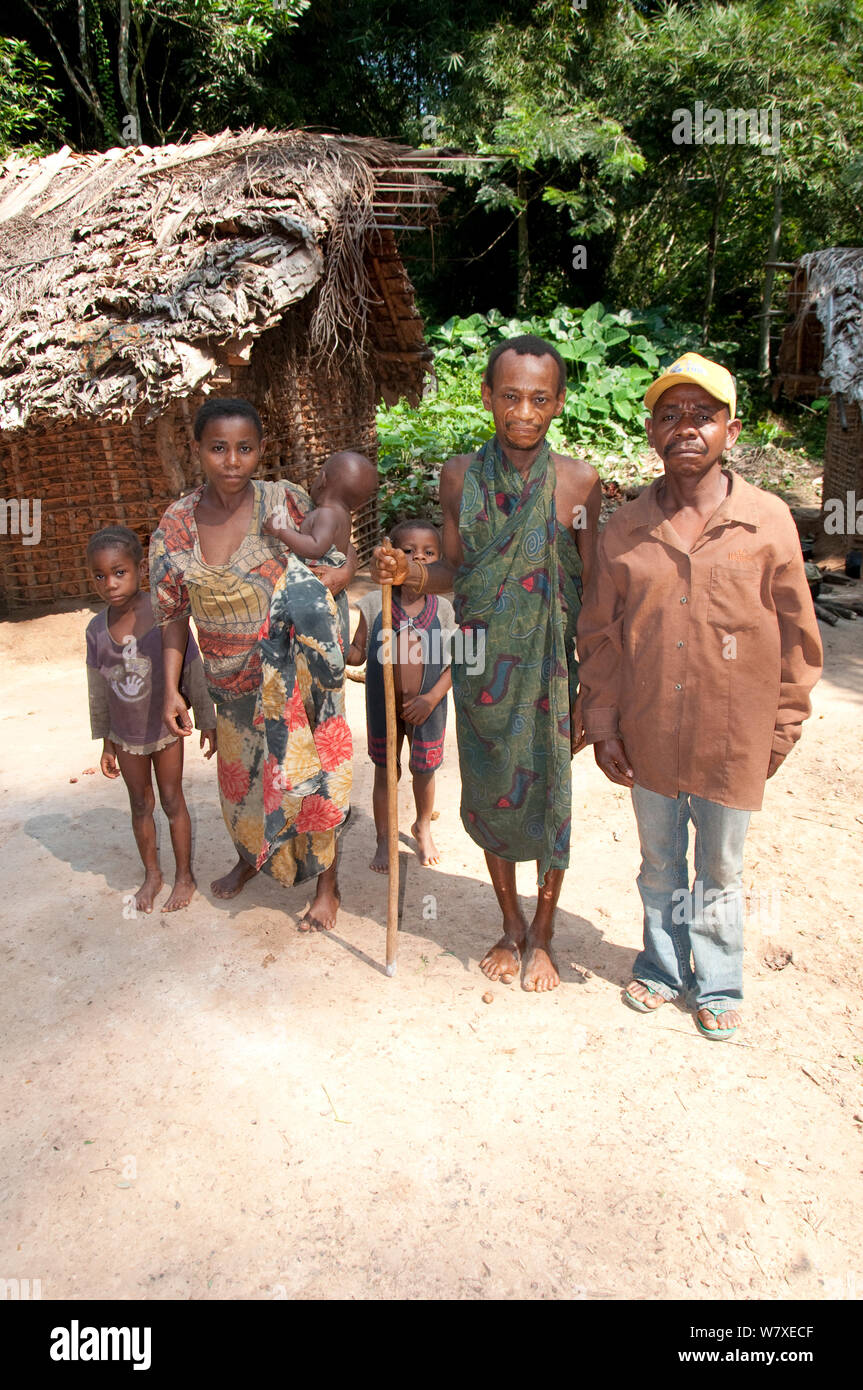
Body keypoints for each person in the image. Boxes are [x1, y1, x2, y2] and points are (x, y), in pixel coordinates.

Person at [576, 352, 823, 1040]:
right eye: (670, 414)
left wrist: (780, 727)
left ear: (731, 431)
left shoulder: (767, 522)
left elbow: (800, 638)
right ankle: (659, 966)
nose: (686, 427)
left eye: (702, 415)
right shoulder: (623, 529)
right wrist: (602, 723)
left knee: (718, 866)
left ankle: (715, 981)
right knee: (658, 860)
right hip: (647, 731)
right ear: (651, 431)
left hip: (729, 738)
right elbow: (598, 634)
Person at [372, 336, 601, 991]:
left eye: (537, 398)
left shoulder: (578, 482)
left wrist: (594, 690)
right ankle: (509, 926)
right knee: (492, 798)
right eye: (509, 395)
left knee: (550, 802)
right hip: (479, 671)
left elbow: (595, 588)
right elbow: (452, 572)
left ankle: (546, 936)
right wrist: (409, 574)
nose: (522, 410)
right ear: (486, 396)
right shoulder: (457, 477)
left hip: (551, 676)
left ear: (557, 402)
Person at [149, 397, 356, 932]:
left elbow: (339, 560)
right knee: (243, 783)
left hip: (299, 680)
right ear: (198, 451)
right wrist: (173, 688)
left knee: (312, 778)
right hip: (231, 685)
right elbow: (172, 615)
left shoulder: (285, 503)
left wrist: (336, 581)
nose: (232, 460)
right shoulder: (175, 526)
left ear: (261, 451)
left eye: (244, 448)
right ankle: (252, 858)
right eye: (218, 448)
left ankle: (327, 885)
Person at [86, 524, 216, 914]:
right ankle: (152, 875)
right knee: (140, 804)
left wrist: (207, 718)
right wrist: (106, 740)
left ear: (140, 570)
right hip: (126, 736)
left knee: (173, 800)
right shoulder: (95, 631)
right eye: (99, 575)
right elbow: (98, 691)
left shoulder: (164, 615)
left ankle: (184, 876)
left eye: (119, 572)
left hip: (165, 729)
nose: (110, 583)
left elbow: (192, 666)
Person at [348, 519, 454, 871]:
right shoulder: (374, 603)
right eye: (407, 551)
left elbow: (460, 662)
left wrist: (432, 698)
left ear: (439, 562)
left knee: (423, 770)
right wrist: (334, 650)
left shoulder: (443, 608)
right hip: (384, 706)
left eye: (428, 553)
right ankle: (384, 837)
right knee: (384, 771)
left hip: (428, 706)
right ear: (389, 557)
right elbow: (358, 652)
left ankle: (422, 826)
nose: (417, 558)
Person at [264, 449, 378, 654]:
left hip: (318, 597)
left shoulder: (326, 514)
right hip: (331, 596)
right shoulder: (342, 515)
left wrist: (281, 531)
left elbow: (316, 547)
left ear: (322, 479)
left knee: (314, 649)